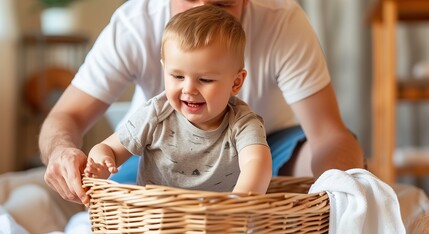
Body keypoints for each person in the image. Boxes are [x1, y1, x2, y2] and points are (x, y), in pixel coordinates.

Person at [40, 0, 365, 205]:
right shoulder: (134, 25)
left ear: (237, 81)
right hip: (156, 159)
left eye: (223, 5)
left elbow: (326, 135)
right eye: (191, 0)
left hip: (271, 147)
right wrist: (70, 153)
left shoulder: (282, 20)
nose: (205, 12)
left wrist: (346, 189)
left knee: (338, 161)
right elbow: (69, 116)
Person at [83, 5, 272, 195]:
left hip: (220, 221)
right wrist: (102, 163)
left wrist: (238, 204)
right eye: (177, 76)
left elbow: (256, 164)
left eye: (205, 80)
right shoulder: (156, 114)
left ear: (236, 82)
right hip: (155, 219)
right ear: (164, 70)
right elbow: (109, 148)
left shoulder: (242, 122)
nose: (189, 89)